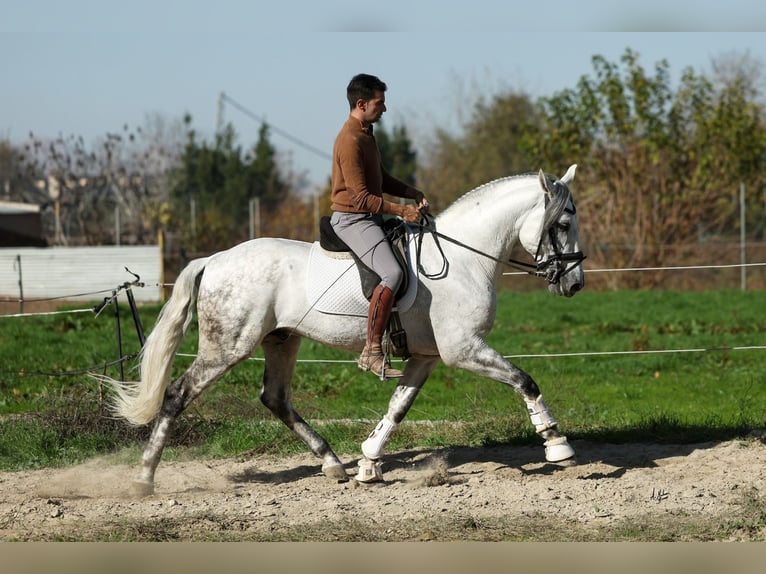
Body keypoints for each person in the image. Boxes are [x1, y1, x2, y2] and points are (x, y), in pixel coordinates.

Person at [329, 73, 429, 380]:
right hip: (353, 219)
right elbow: (361, 198)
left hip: (369, 216)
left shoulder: (366, 134)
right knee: (393, 273)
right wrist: (402, 211)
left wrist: (413, 193)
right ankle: (372, 350)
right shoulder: (349, 140)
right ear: (362, 103)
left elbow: (381, 179)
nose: (384, 109)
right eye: (379, 103)